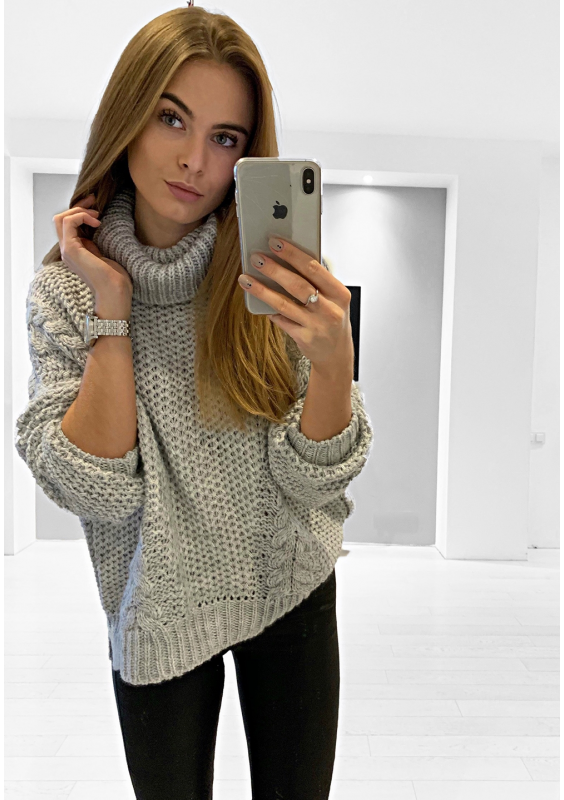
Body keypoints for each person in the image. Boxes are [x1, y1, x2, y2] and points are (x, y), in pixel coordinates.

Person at [14, 5, 374, 799]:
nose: (194, 160)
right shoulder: (67, 294)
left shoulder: (270, 279)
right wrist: (113, 308)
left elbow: (315, 478)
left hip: (288, 579)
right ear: (127, 117)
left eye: (226, 138)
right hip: (157, 606)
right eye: (171, 118)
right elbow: (96, 489)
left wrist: (334, 363)